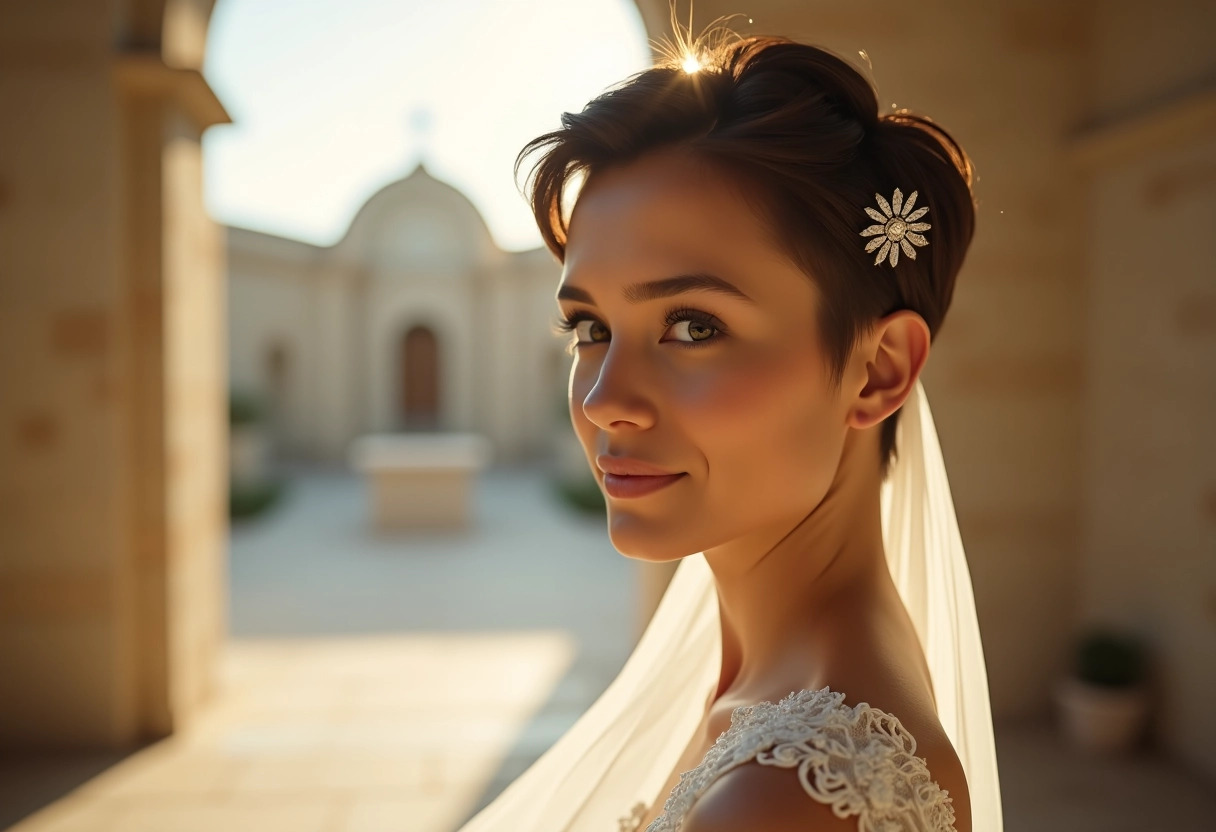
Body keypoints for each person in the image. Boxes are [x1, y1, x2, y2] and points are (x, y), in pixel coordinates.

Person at [458, 34, 1002, 832]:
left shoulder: (788, 799)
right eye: (589, 327)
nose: (608, 400)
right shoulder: (789, 697)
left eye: (691, 325)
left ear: (879, 369)